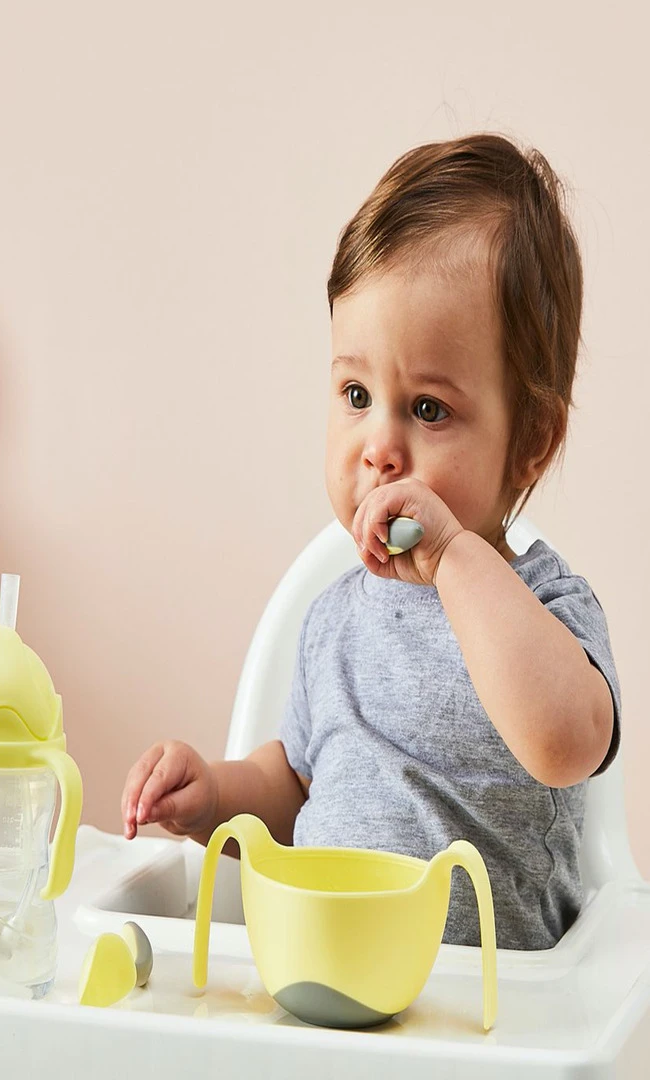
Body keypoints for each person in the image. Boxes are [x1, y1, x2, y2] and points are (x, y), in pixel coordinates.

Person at [121, 133, 620, 949]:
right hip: (329, 987)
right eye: (357, 393)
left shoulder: (545, 612)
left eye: (427, 409)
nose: (378, 447)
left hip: (490, 1018)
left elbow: (566, 742)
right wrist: (213, 795)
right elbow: (298, 787)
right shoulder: (334, 620)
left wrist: (459, 558)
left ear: (531, 441)